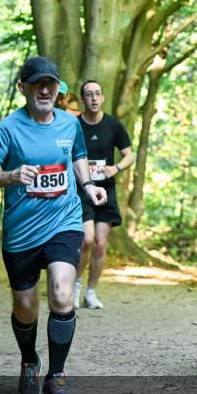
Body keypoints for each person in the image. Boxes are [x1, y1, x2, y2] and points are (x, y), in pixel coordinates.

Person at [0, 56, 106, 394]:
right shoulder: (7, 129)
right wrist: (10, 176)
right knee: (25, 306)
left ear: (58, 88)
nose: (45, 90)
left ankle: (57, 376)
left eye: (51, 83)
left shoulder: (70, 124)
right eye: (37, 84)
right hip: (21, 232)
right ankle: (29, 360)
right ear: (24, 88)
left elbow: (78, 155)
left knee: (63, 296)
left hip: (63, 222)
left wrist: (88, 184)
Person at [73, 79, 134, 310]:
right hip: (82, 191)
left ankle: (91, 292)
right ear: (82, 100)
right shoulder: (74, 125)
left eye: (98, 93)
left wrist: (116, 167)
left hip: (106, 190)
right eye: (89, 94)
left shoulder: (113, 125)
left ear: (103, 97)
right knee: (86, 239)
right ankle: (76, 286)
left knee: (100, 243)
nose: (94, 98)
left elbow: (129, 155)